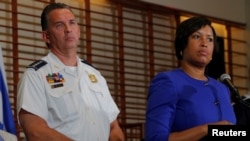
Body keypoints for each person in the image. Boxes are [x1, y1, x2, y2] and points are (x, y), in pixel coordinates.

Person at [17, 2, 124, 141]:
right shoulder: (36, 75)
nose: (68, 29)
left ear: (78, 31)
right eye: (59, 25)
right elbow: (35, 131)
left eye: (72, 23)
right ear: (46, 36)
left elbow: (114, 127)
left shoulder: (95, 75)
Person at [145, 16, 236, 141]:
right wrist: (205, 130)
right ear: (182, 45)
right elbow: (155, 138)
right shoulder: (168, 82)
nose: (204, 43)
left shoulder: (221, 88)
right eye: (196, 37)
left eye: (210, 39)